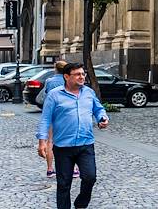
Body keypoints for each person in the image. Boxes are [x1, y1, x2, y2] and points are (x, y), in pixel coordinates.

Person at [36, 63, 109, 209]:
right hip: (63, 146)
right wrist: (42, 142)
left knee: (90, 177)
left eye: (83, 74)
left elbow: (98, 108)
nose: (82, 77)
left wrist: (102, 118)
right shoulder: (54, 95)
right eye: (77, 74)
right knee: (64, 184)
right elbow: (45, 119)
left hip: (86, 144)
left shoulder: (88, 92)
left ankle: (81, 204)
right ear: (66, 76)